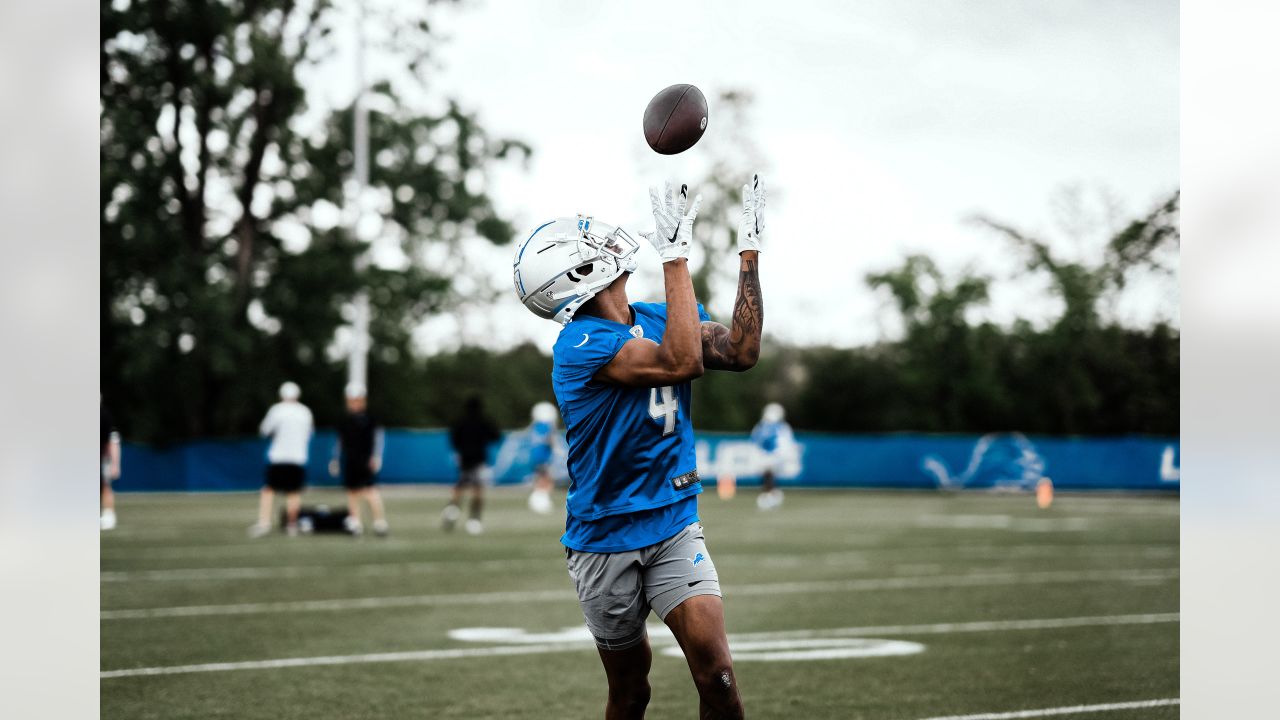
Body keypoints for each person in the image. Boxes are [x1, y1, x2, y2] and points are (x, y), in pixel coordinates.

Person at [512, 175, 766, 719]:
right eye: (589, 249)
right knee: (632, 692)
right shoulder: (579, 345)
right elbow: (680, 362)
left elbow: (742, 352)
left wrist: (750, 254)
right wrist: (675, 258)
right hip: (605, 539)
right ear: (578, 274)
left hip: (674, 522)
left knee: (717, 676)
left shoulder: (652, 316)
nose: (607, 246)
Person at [249, 382, 314, 537]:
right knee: (293, 492)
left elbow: (264, 430)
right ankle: (292, 524)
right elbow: (309, 434)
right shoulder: (305, 412)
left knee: (269, 490)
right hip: (298, 457)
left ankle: (264, 523)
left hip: (278, 456)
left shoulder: (277, 410)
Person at [330, 383, 389, 537]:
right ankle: (356, 522)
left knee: (370, 490)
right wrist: (335, 459)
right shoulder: (344, 420)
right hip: (350, 459)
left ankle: (379, 522)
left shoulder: (370, 419)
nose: (354, 403)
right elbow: (339, 442)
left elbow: (378, 439)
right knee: (352, 492)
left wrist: (376, 456)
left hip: (365, 460)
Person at [443, 395, 502, 534]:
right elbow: (496, 436)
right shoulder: (484, 421)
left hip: (464, 459)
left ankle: (452, 509)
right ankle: (474, 520)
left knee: (460, 486)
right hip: (479, 459)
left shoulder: (460, 422)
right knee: (478, 489)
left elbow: (453, 439)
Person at [750, 402, 794, 510]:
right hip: (775, 456)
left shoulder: (761, 426)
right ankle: (773, 495)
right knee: (769, 477)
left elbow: (755, 440)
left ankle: (771, 495)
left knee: (768, 476)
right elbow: (787, 443)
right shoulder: (783, 427)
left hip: (767, 456)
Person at [526, 401, 563, 514]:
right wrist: (557, 449)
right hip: (544, 458)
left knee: (541, 479)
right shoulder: (547, 426)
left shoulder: (535, 426)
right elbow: (549, 438)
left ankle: (538, 500)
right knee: (547, 480)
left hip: (535, 458)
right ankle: (540, 501)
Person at [100, 398, 121, 531]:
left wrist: (114, 464)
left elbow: (112, 441)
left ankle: (109, 515)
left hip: (103, 456)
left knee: (105, 485)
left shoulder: (103, 416)